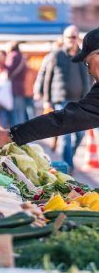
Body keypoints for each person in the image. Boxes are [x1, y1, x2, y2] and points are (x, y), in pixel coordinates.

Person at [0, 27, 99, 159]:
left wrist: (10, 135)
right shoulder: (56, 56)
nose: (89, 71)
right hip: (61, 98)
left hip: (77, 98)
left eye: (87, 63)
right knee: (66, 139)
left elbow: (63, 120)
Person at [41, 25, 90, 172]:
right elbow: (47, 78)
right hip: (61, 100)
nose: (71, 40)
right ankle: (68, 167)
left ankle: (69, 159)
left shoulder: (83, 55)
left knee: (81, 134)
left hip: (80, 101)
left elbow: (89, 77)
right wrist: (46, 99)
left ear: (78, 39)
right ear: (63, 38)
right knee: (66, 136)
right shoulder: (56, 55)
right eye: (68, 37)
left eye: (73, 37)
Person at [5, 41, 28, 125]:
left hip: (13, 86)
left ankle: (16, 132)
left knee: (15, 111)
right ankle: (22, 131)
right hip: (21, 86)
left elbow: (8, 70)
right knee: (20, 111)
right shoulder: (22, 56)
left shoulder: (12, 56)